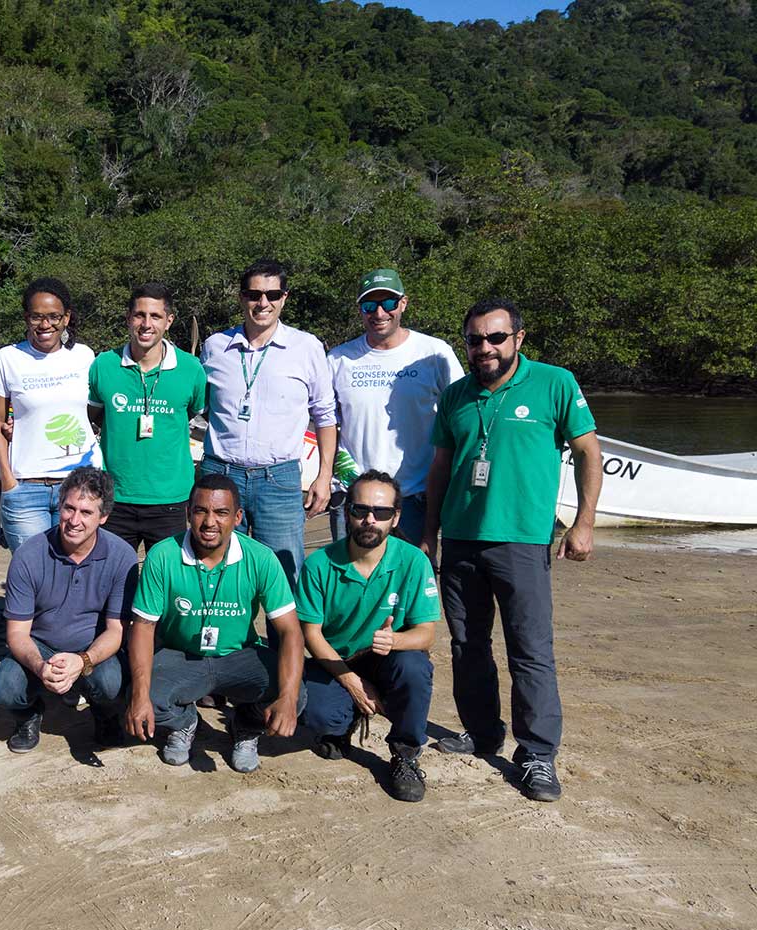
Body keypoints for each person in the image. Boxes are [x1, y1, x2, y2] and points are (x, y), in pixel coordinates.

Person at [420, 296, 602, 803]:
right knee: (466, 645)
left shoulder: (555, 383)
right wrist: (430, 533)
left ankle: (537, 754)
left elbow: (589, 451)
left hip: (522, 541)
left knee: (530, 651)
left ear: (518, 338)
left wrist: (582, 524)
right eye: (475, 339)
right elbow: (440, 469)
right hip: (459, 539)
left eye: (496, 337)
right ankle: (482, 732)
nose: (486, 348)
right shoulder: (455, 395)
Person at [125, 473, 305, 773]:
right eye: (201, 511)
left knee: (295, 694)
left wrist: (287, 697)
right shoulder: (162, 555)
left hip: (240, 655)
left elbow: (290, 631)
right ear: (188, 513)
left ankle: (246, 726)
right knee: (139, 694)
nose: (210, 522)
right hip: (181, 655)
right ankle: (185, 723)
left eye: (221, 513)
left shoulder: (261, 558)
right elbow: (143, 628)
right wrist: (140, 696)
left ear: (237, 517)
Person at [295, 470, 440, 802]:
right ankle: (343, 722)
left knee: (414, 668)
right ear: (347, 512)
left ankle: (405, 755)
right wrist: (352, 683)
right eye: (360, 510)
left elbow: (426, 634)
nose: (370, 520)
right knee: (316, 712)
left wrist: (396, 641)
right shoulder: (318, 563)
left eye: (382, 512)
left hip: (386, 657)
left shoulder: (414, 561)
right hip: (337, 660)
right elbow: (311, 635)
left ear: (396, 517)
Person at [199, 259, 337, 587]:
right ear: (241, 298)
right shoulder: (215, 347)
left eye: (272, 294)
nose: (263, 303)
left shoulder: (307, 347)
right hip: (221, 474)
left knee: (284, 580)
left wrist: (325, 475)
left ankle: (282, 641)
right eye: (254, 294)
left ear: (284, 298)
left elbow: (325, 415)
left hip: (279, 481)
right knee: (214, 572)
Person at [0, 467, 137, 753]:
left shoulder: (122, 556)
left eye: (86, 512)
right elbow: (17, 633)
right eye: (69, 508)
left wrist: (82, 661)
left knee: (111, 683)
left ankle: (104, 715)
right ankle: (28, 714)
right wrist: (40, 666)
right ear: (59, 506)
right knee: (5, 687)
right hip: (40, 644)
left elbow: (116, 629)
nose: (74, 520)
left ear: (103, 517)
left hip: (90, 646)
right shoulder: (29, 554)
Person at [328, 268, 464, 544]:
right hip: (353, 495)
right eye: (369, 305)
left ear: (403, 303)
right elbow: (325, 424)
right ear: (359, 310)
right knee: (349, 583)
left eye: (388, 303)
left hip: (414, 498)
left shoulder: (434, 353)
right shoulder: (338, 359)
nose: (379, 313)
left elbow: (460, 419)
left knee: (407, 583)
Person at [87, 282, 207, 553]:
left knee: (166, 585)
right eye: (139, 315)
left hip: (171, 499)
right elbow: (94, 416)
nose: (146, 324)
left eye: (155, 316)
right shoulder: (103, 365)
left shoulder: (191, 369)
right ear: (128, 318)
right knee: (115, 586)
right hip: (115, 497)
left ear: (169, 321)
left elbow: (191, 414)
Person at [0, 278, 101, 553]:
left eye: (53, 317)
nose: (45, 324)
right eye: (37, 317)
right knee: (34, 575)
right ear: (26, 317)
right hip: (25, 489)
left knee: (76, 572)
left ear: (66, 318)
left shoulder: (84, 356)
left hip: (79, 486)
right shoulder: (8, 358)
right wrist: (7, 479)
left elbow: (95, 412)